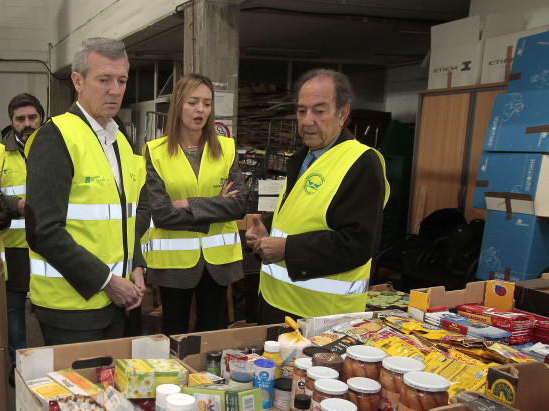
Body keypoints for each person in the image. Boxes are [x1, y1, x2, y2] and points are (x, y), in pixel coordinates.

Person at [24, 37, 146, 346]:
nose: (115, 90)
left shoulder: (119, 141)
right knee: (80, 395)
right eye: (104, 79)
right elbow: (44, 231)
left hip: (117, 303)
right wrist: (107, 281)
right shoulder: (55, 137)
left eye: (121, 80)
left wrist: (136, 266)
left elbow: (125, 218)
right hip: (71, 310)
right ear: (78, 81)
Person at [246, 68, 389, 325]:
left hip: (323, 317)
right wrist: (266, 234)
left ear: (342, 113)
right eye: (302, 111)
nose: (307, 120)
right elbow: (301, 216)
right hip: (277, 304)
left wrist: (288, 249)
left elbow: (357, 244)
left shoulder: (360, 162)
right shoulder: (302, 159)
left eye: (319, 111)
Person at [138, 73, 246, 335]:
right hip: (174, 264)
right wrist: (216, 205)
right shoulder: (156, 151)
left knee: (212, 334)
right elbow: (162, 214)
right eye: (193, 102)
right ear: (178, 105)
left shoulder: (226, 148)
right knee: (174, 332)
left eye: (207, 103)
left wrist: (187, 202)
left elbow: (238, 204)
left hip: (219, 264)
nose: (201, 110)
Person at [0, 94, 44, 368]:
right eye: (20, 119)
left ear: (41, 118)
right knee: (15, 313)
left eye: (32, 117)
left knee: (50, 310)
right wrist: (16, 204)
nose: (27, 123)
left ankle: (51, 368)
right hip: (14, 246)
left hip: (49, 246)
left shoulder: (55, 147)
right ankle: (19, 369)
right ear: (11, 122)